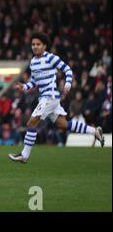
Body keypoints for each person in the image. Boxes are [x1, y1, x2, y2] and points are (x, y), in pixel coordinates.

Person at [8, 32, 104, 163]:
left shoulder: (51, 58)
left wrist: (68, 84)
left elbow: (68, 70)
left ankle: (24, 155)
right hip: (45, 97)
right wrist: (24, 87)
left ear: (45, 46)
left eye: (38, 44)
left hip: (50, 96)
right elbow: (34, 82)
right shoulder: (33, 62)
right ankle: (94, 131)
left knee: (31, 123)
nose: (35, 47)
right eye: (33, 44)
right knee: (62, 124)